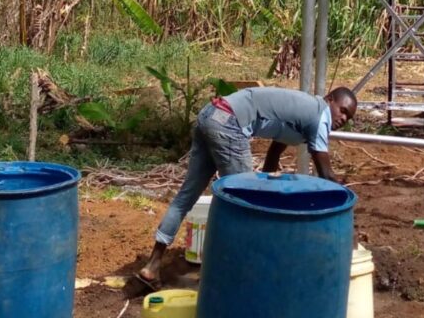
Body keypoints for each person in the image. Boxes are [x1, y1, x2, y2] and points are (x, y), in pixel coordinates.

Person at [138, 85, 357, 285]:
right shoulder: (320, 115)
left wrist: (270, 192)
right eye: (343, 110)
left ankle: (152, 266)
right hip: (230, 124)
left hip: (211, 114)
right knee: (245, 206)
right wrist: (348, 224)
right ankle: (235, 275)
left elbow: (272, 156)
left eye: (349, 117)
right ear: (329, 99)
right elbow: (326, 175)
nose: (343, 118)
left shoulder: (301, 112)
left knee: (187, 196)